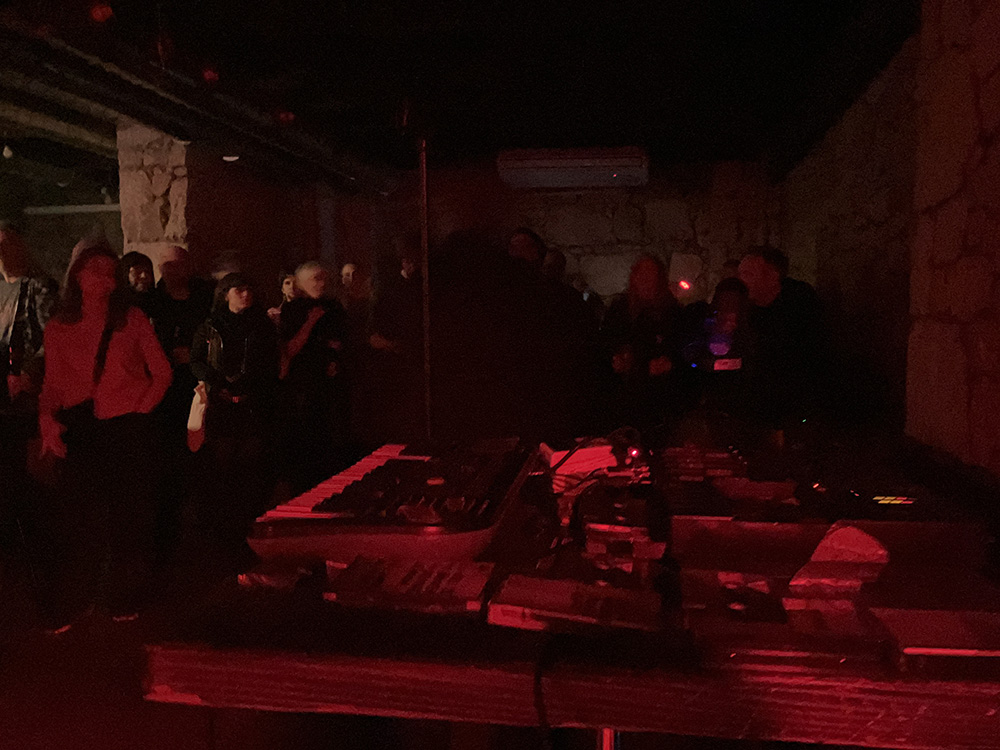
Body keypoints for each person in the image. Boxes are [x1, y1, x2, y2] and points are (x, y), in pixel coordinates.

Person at [38, 240, 172, 630]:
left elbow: (162, 372)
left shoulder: (131, 319)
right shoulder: (59, 327)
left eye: (110, 273)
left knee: (129, 514)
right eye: (96, 270)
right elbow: (53, 384)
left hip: (125, 426)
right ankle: (79, 596)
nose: (104, 279)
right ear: (77, 275)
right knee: (82, 516)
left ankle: (122, 594)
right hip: (81, 427)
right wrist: (46, 419)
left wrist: (140, 409)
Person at [190, 273, 279, 567]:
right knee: (222, 465)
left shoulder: (262, 325)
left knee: (249, 467)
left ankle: (245, 529)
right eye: (239, 290)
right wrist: (218, 384)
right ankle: (221, 533)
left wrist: (251, 387)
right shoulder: (211, 325)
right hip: (222, 403)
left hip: (253, 403)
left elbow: (270, 363)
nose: (245, 294)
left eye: (248, 289)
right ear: (226, 293)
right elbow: (197, 360)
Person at [151, 245, 214, 568]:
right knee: (170, 455)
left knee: (202, 451)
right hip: (164, 391)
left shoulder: (205, 297)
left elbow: (216, 332)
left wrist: (198, 357)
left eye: (177, 264)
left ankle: (205, 518)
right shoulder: (153, 301)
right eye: (166, 265)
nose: (172, 271)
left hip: (199, 383)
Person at [0, 226, 56, 551]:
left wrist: (28, 373)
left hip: (24, 391)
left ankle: (31, 537)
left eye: (6, 244)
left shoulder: (38, 287)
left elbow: (53, 338)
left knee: (22, 465)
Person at [278, 261, 350, 493]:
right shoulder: (293, 310)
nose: (321, 284)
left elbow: (342, 340)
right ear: (300, 283)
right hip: (303, 387)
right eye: (315, 279)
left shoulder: (333, 307)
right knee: (306, 438)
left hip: (331, 385)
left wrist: (335, 356)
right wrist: (311, 322)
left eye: (323, 278)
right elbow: (290, 349)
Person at [737, 246, 826, 430]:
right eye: (740, 274)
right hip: (758, 404)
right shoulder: (748, 309)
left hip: (795, 408)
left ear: (772, 276)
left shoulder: (799, 306)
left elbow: (797, 362)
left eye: (748, 274)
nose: (741, 281)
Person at [601, 255, 690, 436]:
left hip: (660, 399)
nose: (646, 281)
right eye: (641, 275)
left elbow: (683, 349)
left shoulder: (672, 312)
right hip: (624, 397)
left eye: (651, 276)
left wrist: (670, 363)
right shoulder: (620, 309)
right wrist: (614, 359)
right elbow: (606, 342)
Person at [366, 253, 424, 443]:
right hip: (392, 364)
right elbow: (373, 336)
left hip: (407, 360)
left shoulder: (413, 289)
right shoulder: (389, 293)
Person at [118, 251, 156, 318]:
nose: (144, 276)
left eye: (147, 271)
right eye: (137, 271)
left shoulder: (158, 304)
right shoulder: (116, 306)